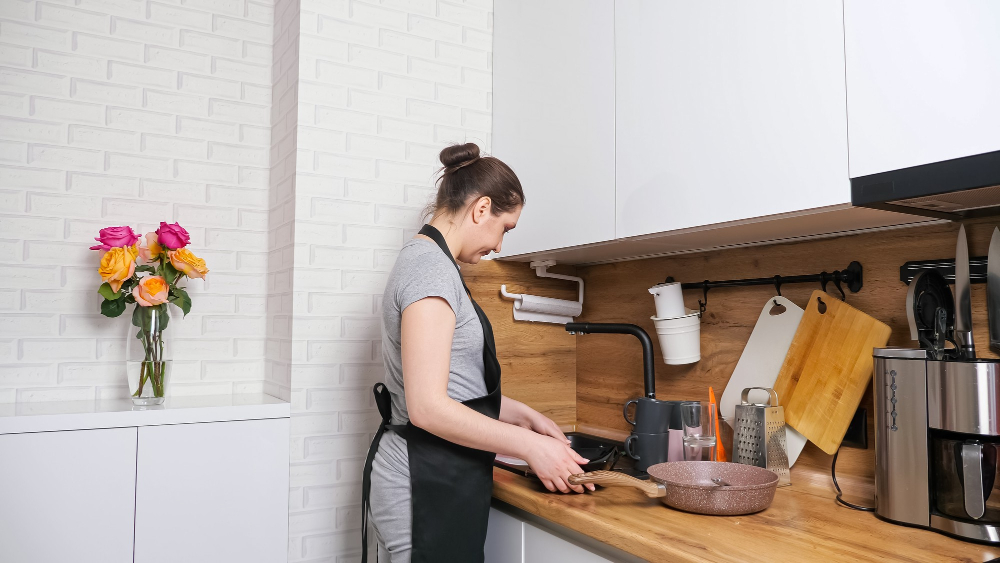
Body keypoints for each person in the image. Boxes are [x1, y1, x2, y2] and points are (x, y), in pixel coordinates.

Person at [361, 143, 593, 563]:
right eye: (506, 228)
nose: (501, 246)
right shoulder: (429, 268)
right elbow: (428, 408)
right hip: (421, 479)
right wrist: (530, 446)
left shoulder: (435, 265)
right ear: (481, 208)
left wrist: (523, 415)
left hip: (438, 473)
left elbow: (451, 387)